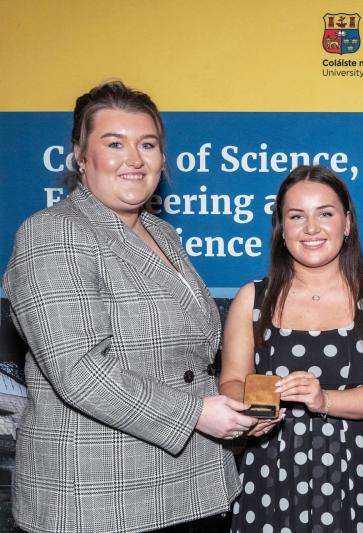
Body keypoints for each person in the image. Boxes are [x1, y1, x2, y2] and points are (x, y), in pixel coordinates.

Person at [3, 81, 256, 533]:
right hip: (99, 500)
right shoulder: (52, 234)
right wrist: (198, 413)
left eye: (148, 144)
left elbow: (188, 362)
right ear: (80, 155)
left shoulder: (161, 234)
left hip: (190, 486)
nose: (135, 159)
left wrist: (237, 412)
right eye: (114, 143)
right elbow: (80, 372)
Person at [220, 165, 363, 532]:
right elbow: (230, 382)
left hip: (350, 470)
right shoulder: (251, 298)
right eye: (296, 216)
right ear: (281, 229)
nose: (311, 229)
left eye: (325, 214)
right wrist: (253, 412)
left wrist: (324, 401)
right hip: (270, 466)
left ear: (347, 223)